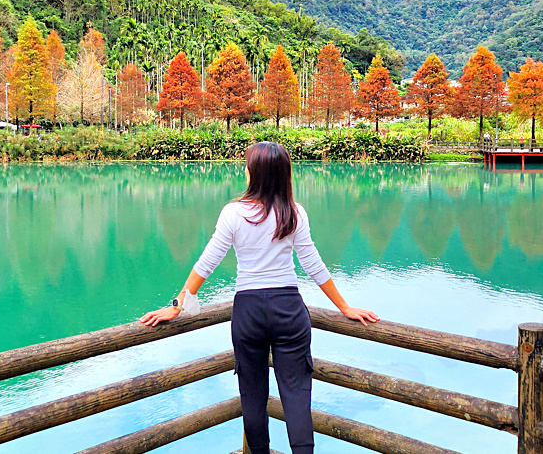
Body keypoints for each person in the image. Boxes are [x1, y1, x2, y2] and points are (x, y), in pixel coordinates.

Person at [140, 142, 378, 454]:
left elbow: (206, 263)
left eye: (248, 164)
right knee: (296, 397)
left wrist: (177, 306)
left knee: (252, 397)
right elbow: (313, 264)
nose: (245, 168)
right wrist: (344, 307)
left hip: (249, 312)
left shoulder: (233, 213)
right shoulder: (293, 212)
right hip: (289, 310)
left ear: (257, 173)